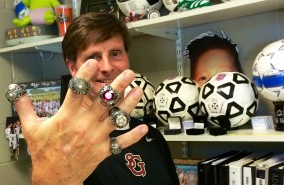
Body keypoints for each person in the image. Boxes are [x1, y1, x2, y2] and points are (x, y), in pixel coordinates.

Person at [6, 12, 179, 185]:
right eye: (92, 57)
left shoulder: (152, 136)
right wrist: (48, 179)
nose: (107, 66)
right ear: (73, 67)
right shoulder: (63, 143)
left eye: (116, 53)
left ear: (127, 58)